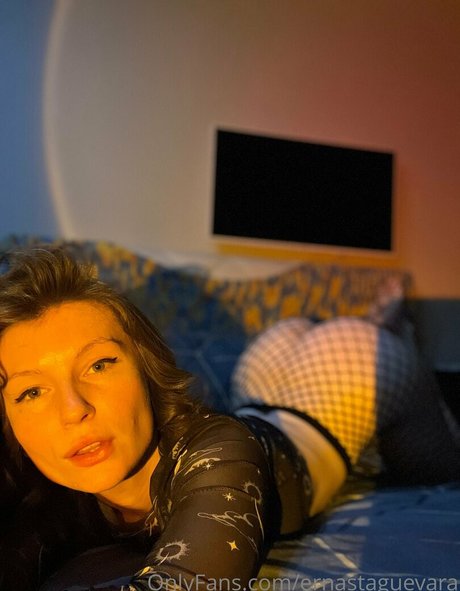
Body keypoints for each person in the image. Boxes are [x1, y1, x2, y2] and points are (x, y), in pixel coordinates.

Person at [0, 247, 458, 591]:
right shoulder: (45, 498)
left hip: (345, 370)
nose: (74, 409)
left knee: (439, 468)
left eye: (99, 365)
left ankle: (389, 328)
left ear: (147, 369)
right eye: (31, 391)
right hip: (262, 372)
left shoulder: (217, 453)